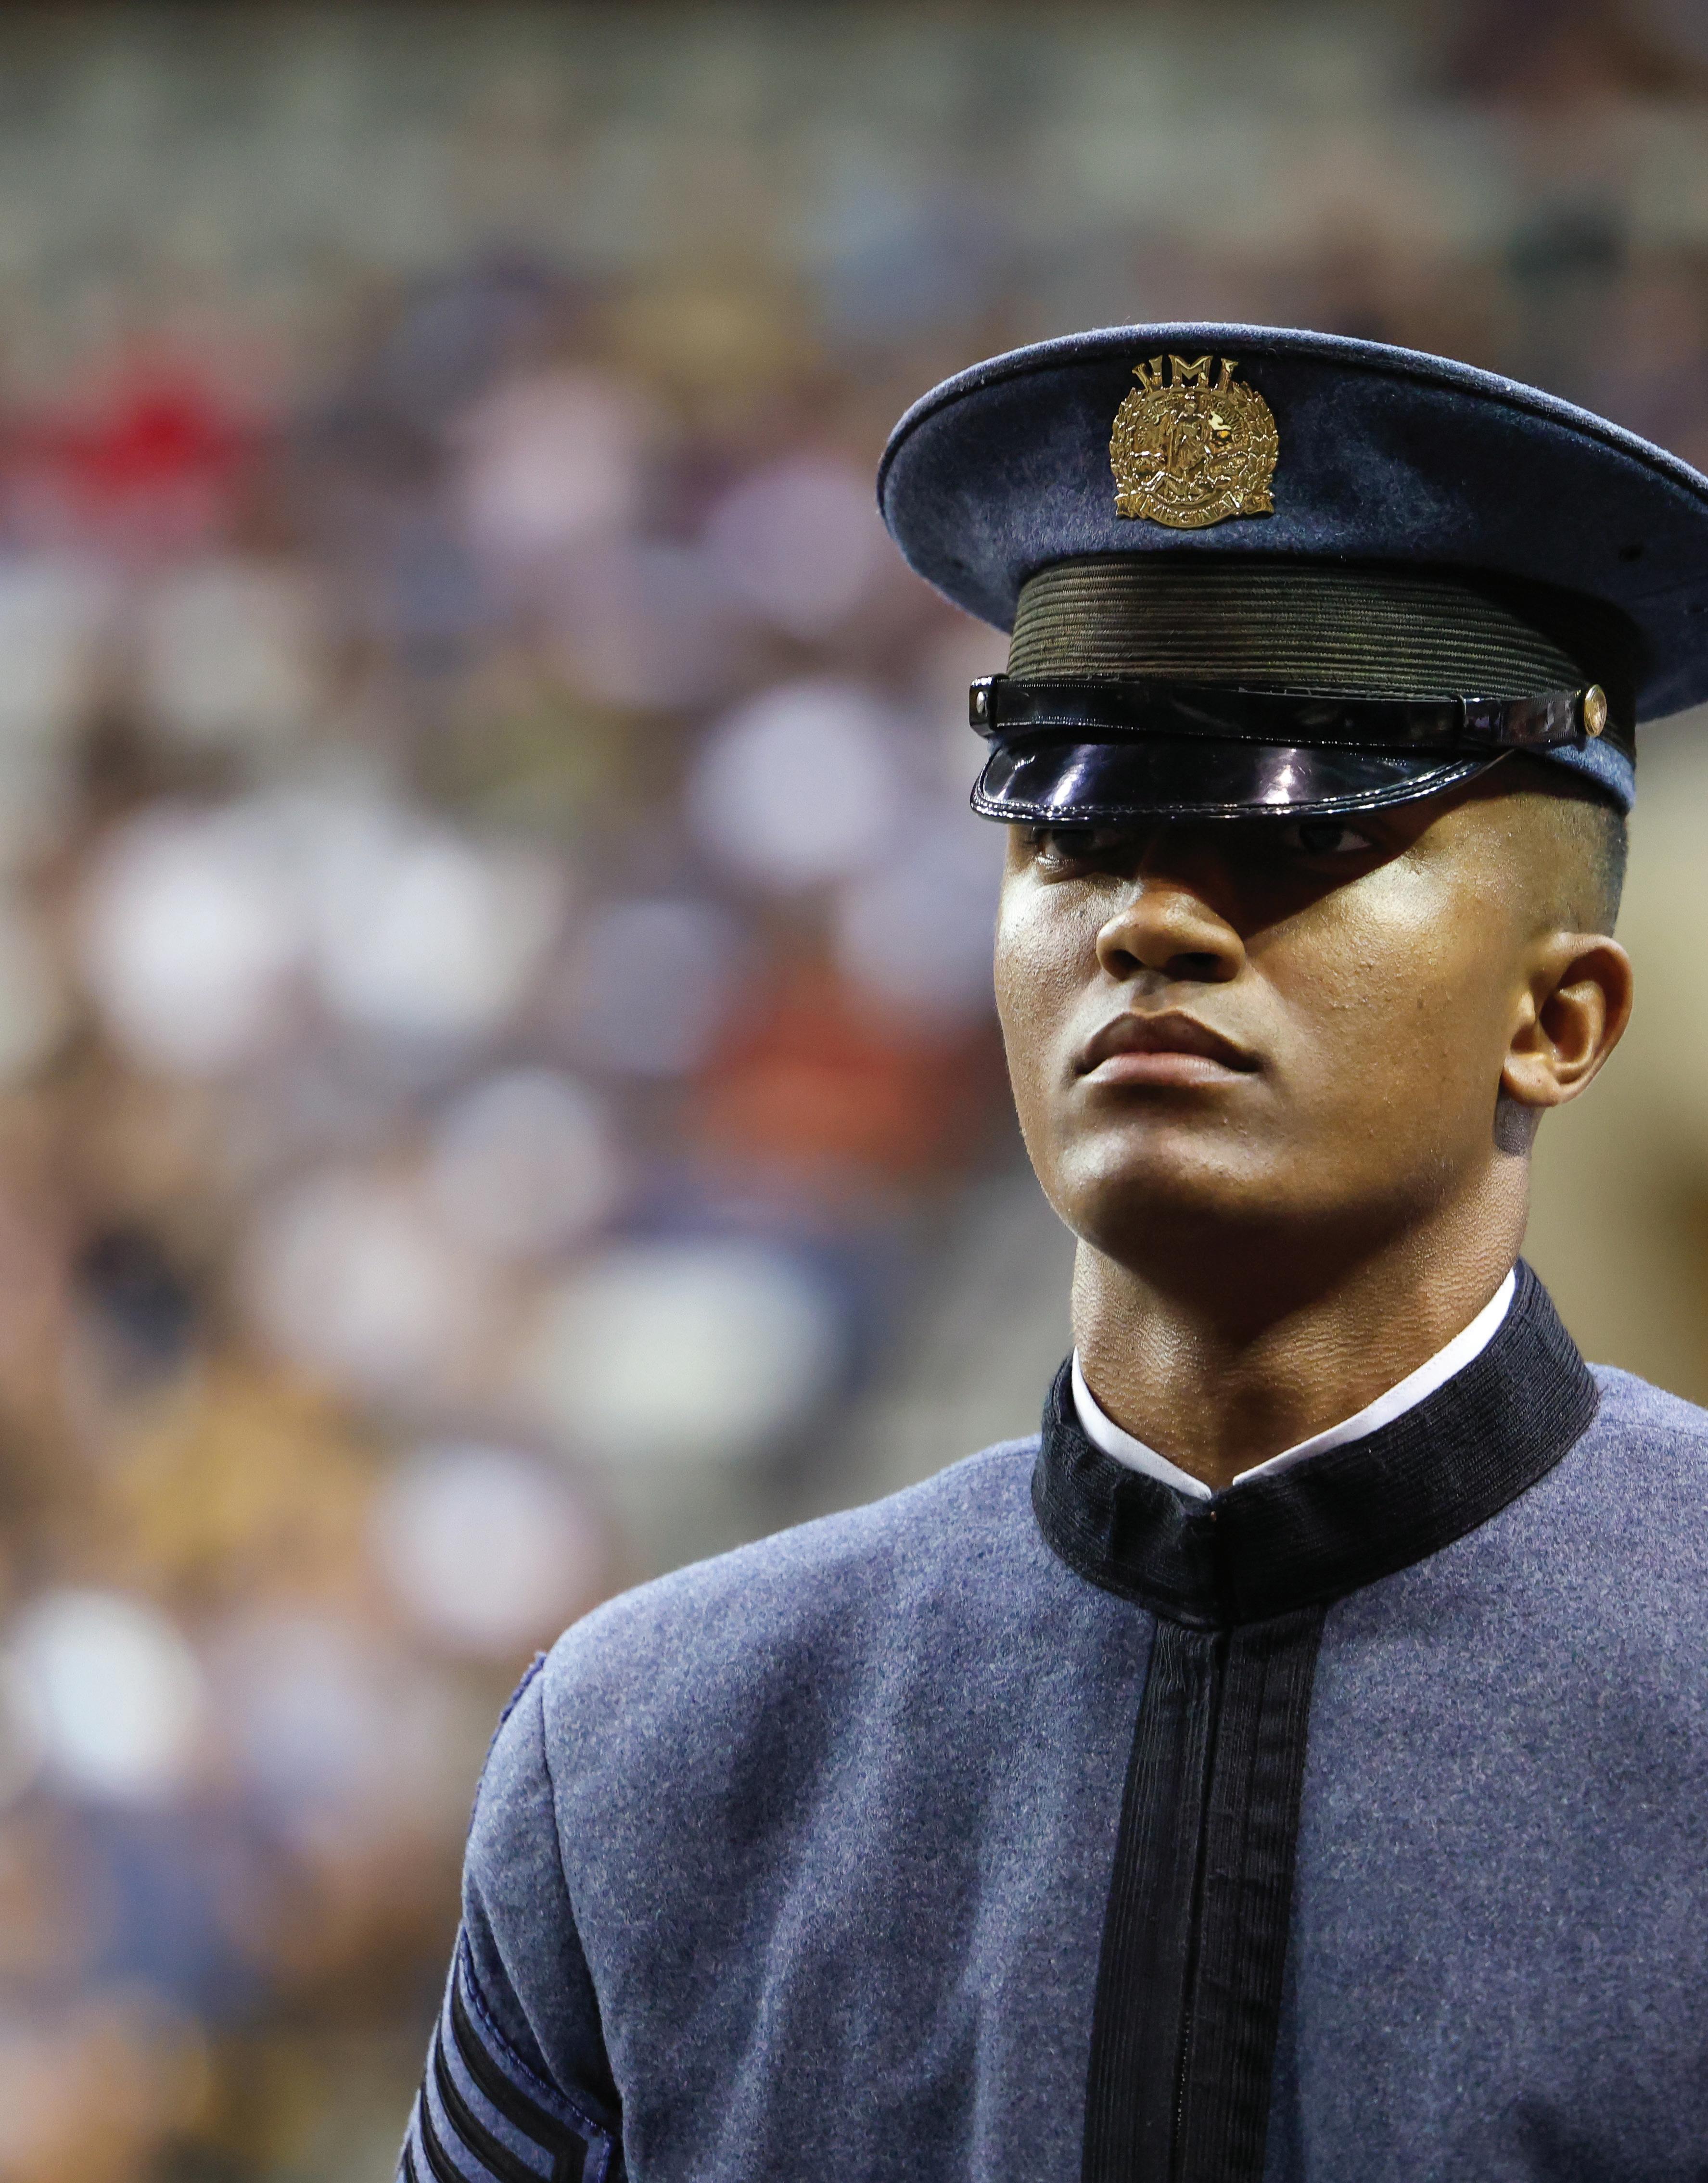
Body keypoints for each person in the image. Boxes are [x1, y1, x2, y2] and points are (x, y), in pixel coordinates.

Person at [397, 327, 1708, 2183]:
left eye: (1305, 833)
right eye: (1077, 829)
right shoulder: (649, 1757)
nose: (1151, 919)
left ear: (1560, 1019)